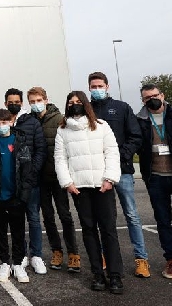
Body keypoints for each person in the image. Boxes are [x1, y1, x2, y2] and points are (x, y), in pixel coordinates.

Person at [55, 91, 123, 294]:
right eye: (71, 102)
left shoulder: (101, 126)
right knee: (89, 230)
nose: (74, 105)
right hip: (79, 188)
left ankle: (115, 275)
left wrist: (109, 178)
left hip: (103, 186)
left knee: (109, 230)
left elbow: (112, 152)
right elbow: (60, 158)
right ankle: (98, 274)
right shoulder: (63, 130)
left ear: (86, 104)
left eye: (78, 102)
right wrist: (67, 182)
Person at [88, 71, 150, 278]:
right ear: (89, 88)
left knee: (131, 214)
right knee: (106, 219)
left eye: (100, 86)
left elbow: (135, 136)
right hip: (98, 174)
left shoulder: (122, 108)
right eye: (93, 86)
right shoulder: (86, 111)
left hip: (122, 171)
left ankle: (141, 259)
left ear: (107, 86)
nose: (97, 90)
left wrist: (120, 158)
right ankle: (107, 256)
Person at [27, 87, 81, 272]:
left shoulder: (59, 120)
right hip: (40, 178)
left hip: (59, 177)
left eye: (38, 100)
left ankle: (73, 253)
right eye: (32, 101)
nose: (35, 104)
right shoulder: (29, 121)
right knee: (48, 217)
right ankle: (56, 250)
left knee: (65, 215)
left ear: (46, 99)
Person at [0, 109, 35, 284]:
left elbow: (27, 173)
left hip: (16, 197)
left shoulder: (20, 142)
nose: (1, 126)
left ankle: (18, 263)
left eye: (5, 122)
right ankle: (4, 262)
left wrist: (23, 197)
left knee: (18, 231)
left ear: (11, 122)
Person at [4, 88, 47, 274]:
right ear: (5, 103)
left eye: (16, 101)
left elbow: (40, 150)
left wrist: (30, 173)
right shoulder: (3, 123)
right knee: (16, 220)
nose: (13, 104)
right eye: (10, 101)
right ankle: (20, 255)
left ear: (21, 103)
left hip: (31, 181)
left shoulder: (31, 122)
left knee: (34, 218)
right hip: (11, 183)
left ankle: (36, 255)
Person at [136, 84, 172, 278]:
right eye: (146, 98)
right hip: (156, 177)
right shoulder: (139, 120)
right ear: (143, 101)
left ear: (162, 95)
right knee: (163, 220)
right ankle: (170, 259)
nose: (151, 100)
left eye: (154, 96)